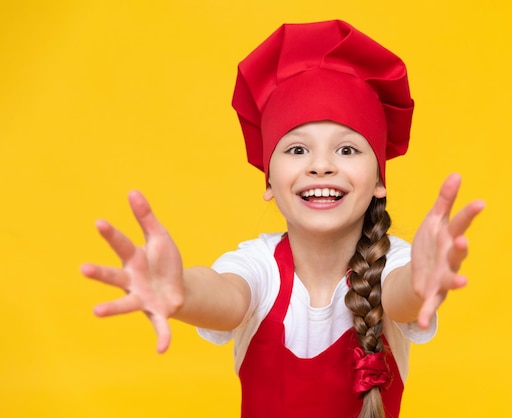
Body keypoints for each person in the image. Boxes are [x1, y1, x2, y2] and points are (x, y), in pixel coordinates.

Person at [81, 20, 484, 418]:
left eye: (346, 150)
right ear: (269, 181)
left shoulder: (391, 264)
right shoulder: (257, 266)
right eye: (296, 150)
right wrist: (180, 290)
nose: (321, 166)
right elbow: (224, 296)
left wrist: (421, 281)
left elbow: (401, 296)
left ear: (380, 180)